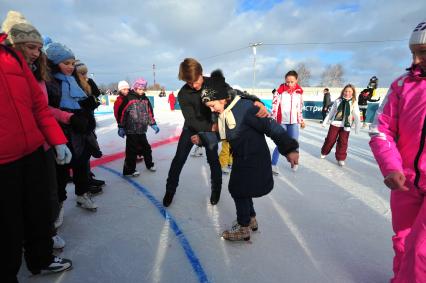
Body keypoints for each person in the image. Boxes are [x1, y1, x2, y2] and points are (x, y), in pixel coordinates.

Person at [0, 30, 72, 281]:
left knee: (38, 212)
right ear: (18, 44)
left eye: (38, 48)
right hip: (3, 161)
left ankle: (40, 259)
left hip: (32, 152)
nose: (36, 53)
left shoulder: (17, 61)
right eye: (31, 47)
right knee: (8, 223)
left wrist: (57, 141)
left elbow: (39, 107)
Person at [201, 75, 299, 241]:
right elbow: (223, 134)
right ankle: (250, 219)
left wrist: (289, 148)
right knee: (242, 189)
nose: (212, 109)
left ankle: (243, 226)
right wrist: (202, 138)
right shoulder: (227, 111)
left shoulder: (245, 107)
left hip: (254, 158)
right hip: (242, 158)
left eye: (212, 105)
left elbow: (271, 127)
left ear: (222, 99)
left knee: (238, 190)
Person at [162, 58, 268, 207]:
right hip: (192, 129)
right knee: (178, 159)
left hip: (213, 130)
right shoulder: (183, 94)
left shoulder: (214, 83)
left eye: (196, 80)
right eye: (189, 83)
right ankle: (170, 191)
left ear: (201, 73)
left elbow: (235, 94)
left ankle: (215, 190)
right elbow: (191, 119)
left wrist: (256, 100)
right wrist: (212, 127)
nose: (194, 85)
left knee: (213, 161)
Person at [369, 19, 426, 283]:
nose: (415, 61)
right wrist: (391, 166)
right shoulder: (402, 86)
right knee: (403, 240)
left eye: (423, 53)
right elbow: (381, 129)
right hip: (406, 181)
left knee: (421, 251)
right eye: (413, 53)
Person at [45, 39, 98, 211]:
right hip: (61, 131)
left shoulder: (74, 80)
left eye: (72, 63)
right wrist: (70, 117)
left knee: (82, 165)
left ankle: (82, 194)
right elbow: (45, 108)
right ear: (54, 63)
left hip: (79, 131)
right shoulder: (50, 82)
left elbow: (80, 101)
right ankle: (58, 205)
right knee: (61, 171)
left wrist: (87, 106)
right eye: (66, 63)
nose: (70, 67)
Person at [115, 78, 159, 176]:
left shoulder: (145, 99)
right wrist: (121, 127)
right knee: (131, 151)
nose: (141, 91)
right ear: (135, 88)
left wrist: (153, 124)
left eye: (143, 89)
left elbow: (150, 113)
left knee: (146, 148)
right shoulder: (129, 98)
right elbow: (122, 114)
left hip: (142, 129)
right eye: (139, 89)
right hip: (131, 130)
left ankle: (149, 164)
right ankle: (128, 170)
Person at [74, 59, 105, 193]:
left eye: (85, 73)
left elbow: (97, 95)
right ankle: (84, 183)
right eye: (82, 73)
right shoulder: (74, 84)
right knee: (82, 153)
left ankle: (88, 176)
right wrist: (88, 104)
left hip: (88, 122)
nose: (85, 76)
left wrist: (91, 84)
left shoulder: (85, 83)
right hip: (80, 124)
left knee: (87, 152)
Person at [271, 70, 305, 174]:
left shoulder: (299, 93)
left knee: (295, 143)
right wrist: (273, 119)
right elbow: (274, 106)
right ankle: (273, 164)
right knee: (281, 142)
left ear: (296, 80)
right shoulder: (279, 92)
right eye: (287, 82)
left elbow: (299, 108)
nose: (289, 84)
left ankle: (294, 162)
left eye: (292, 82)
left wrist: (301, 120)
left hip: (294, 121)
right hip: (282, 121)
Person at [320, 84, 361, 166]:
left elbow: (356, 115)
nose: (347, 93)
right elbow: (331, 112)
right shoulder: (338, 101)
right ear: (343, 92)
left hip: (346, 126)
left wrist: (357, 127)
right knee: (330, 139)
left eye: (349, 91)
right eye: (346, 91)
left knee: (343, 142)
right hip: (335, 124)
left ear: (352, 93)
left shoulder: (354, 102)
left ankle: (340, 158)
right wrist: (325, 121)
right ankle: (324, 152)